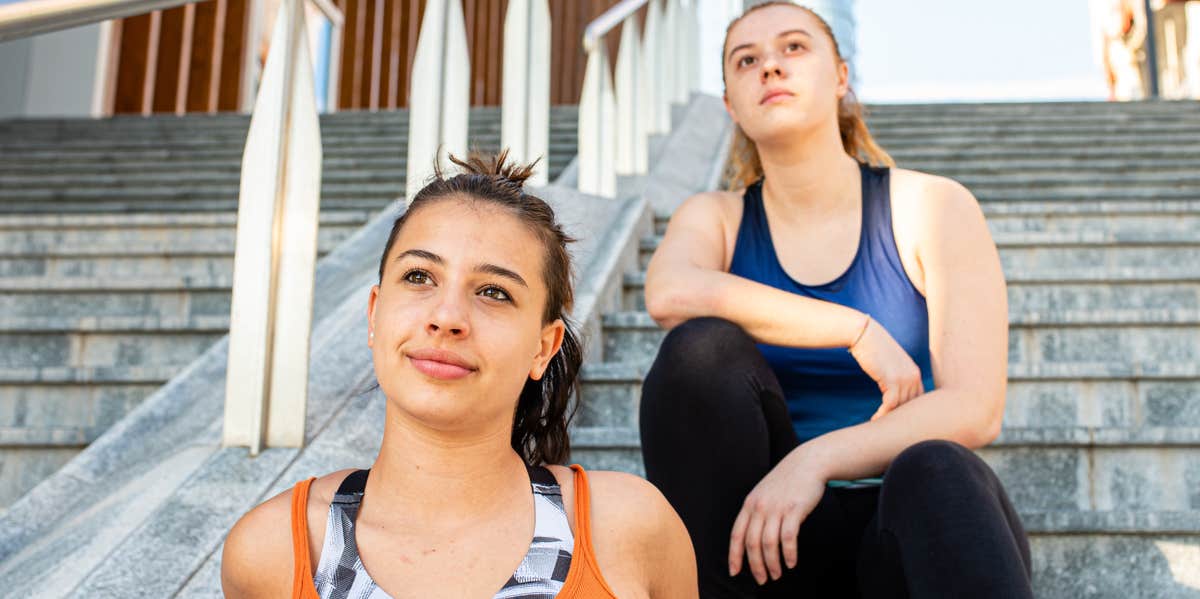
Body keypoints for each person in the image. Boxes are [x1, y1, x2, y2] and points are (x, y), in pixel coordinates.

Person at [639, 3, 1033, 597]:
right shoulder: (715, 218)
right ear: (730, 105)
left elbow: (975, 408)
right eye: (746, 61)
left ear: (842, 77)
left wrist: (814, 460)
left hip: (909, 534)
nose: (770, 67)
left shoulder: (928, 206)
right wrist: (852, 327)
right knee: (699, 350)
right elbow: (670, 291)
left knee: (936, 465)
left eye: (794, 48)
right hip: (768, 546)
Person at [221, 151, 697, 598]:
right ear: (374, 314)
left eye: (493, 292)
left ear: (542, 347)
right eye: (419, 277)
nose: (447, 316)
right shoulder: (272, 550)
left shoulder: (632, 528)